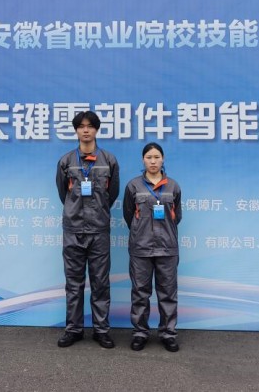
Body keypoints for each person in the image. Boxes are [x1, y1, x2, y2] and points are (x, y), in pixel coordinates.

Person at [56, 110, 120, 349]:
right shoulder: (66, 161)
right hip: (73, 230)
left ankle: (101, 330)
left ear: (96, 130)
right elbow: (63, 193)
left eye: (90, 126)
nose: (85, 130)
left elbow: (112, 193)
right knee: (73, 282)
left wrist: (98, 212)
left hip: (99, 231)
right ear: (76, 130)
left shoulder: (109, 160)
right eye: (81, 126)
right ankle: (73, 329)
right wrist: (76, 211)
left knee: (100, 282)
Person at [122, 142, 182, 352]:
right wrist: (141, 231)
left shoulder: (173, 186)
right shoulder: (133, 186)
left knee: (168, 293)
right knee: (140, 293)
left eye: (157, 157)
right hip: (141, 248)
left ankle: (168, 333)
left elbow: (177, 216)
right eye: (149, 157)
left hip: (167, 248)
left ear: (163, 159)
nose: (153, 161)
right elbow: (128, 215)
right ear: (143, 160)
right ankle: (140, 333)